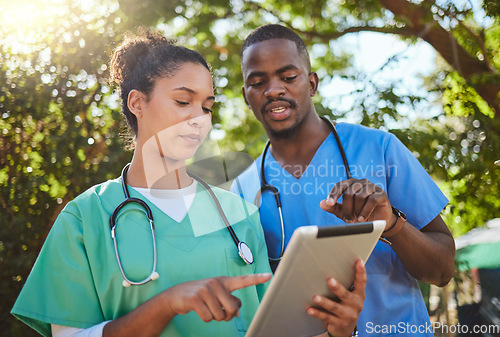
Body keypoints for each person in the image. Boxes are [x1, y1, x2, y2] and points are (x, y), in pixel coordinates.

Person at [11, 29, 365, 337]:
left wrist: (335, 331)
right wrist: (167, 304)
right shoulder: (84, 218)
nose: (199, 120)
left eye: (207, 106)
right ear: (137, 102)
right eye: (183, 101)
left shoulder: (238, 215)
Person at [232, 24, 456, 337]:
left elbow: (443, 270)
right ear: (246, 95)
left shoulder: (380, 149)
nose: (273, 90)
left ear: (312, 83)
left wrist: (392, 224)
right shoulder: (241, 191)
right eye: (258, 82)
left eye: (287, 76)